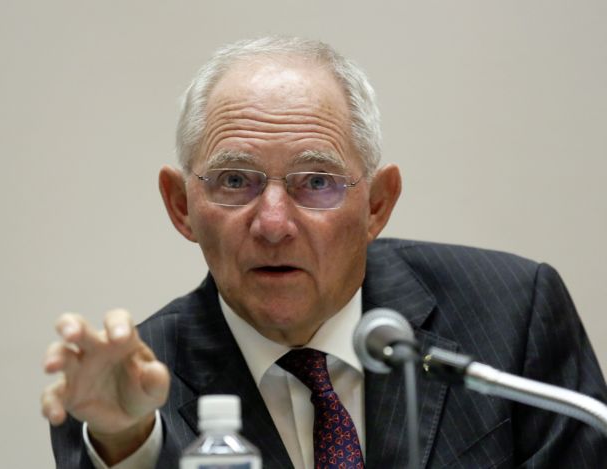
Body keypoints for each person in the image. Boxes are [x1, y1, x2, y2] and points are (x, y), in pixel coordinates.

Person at [41, 36, 607, 469]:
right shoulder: (122, 399)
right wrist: (128, 441)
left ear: (377, 204)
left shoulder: (512, 315)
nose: (273, 224)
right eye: (235, 180)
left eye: (317, 182)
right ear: (182, 205)